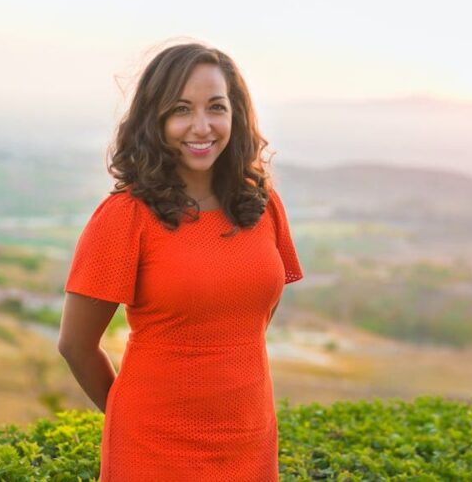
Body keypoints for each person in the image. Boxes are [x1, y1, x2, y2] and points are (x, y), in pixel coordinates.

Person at [57, 40, 304, 482]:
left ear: (237, 115)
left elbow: (249, 321)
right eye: (181, 110)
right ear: (155, 119)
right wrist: (130, 420)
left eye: (216, 107)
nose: (201, 126)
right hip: (151, 449)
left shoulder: (263, 206)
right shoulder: (125, 216)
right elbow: (75, 344)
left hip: (250, 443)